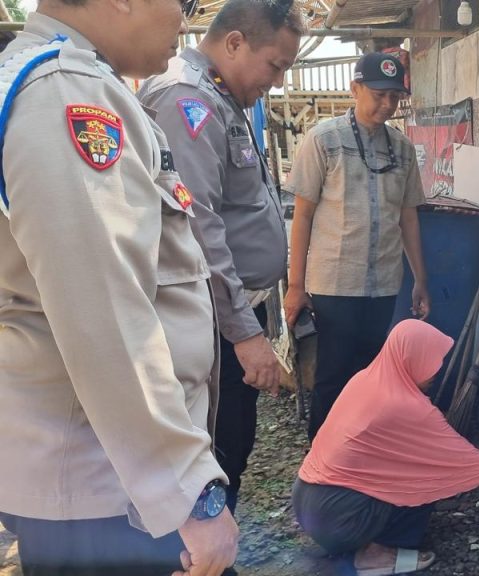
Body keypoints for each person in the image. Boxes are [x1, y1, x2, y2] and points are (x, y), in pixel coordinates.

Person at [0, 1, 239, 575]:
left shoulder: (65, 78)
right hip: (110, 494)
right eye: (179, 3)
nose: (184, 19)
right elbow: (105, 316)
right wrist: (189, 492)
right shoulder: (65, 94)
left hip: (110, 478)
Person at [137, 0, 304, 515]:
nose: (275, 82)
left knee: (231, 441)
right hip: (210, 320)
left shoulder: (218, 95)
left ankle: (214, 548)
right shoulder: (187, 98)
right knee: (216, 445)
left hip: (227, 313)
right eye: (274, 65)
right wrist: (245, 334)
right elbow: (198, 227)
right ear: (234, 43)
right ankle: (205, 554)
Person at [292, 319, 479, 576]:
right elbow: (469, 460)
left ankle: (361, 538)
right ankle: (373, 554)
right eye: (430, 360)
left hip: (308, 503)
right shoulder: (406, 407)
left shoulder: (365, 379)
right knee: (425, 478)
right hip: (339, 520)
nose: (437, 369)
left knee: (409, 469)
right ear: (409, 357)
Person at [283, 52, 431, 440]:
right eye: (379, 94)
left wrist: (420, 280)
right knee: (332, 375)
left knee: (371, 375)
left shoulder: (402, 149)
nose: (387, 104)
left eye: (395, 98)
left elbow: (409, 217)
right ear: (355, 88)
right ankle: (320, 461)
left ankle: (361, 454)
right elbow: (303, 216)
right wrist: (296, 286)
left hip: (384, 282)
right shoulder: (323, 140)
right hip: (334, 282)